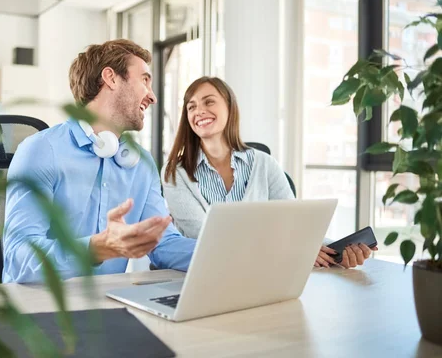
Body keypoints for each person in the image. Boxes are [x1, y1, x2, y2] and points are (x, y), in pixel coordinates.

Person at [2, 39, 196, 283]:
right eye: (145, 80)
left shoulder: (141, 164)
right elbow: (18, 259)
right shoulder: (42, 150)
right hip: (38, 309)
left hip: (105, 305)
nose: (153, 97)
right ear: (111, 78)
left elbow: (164, 244)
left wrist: (225, 254)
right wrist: (96, 248)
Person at [161, 76, 377, 269]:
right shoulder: (175, 173)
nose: (199, 111)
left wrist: (335, 250)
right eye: (191, 107)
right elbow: (204, 238)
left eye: (209, 101)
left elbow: (294, 224)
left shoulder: (264, 164)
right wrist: (294, 250)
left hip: (265, 276)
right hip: (207, 277)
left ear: (229, 107)